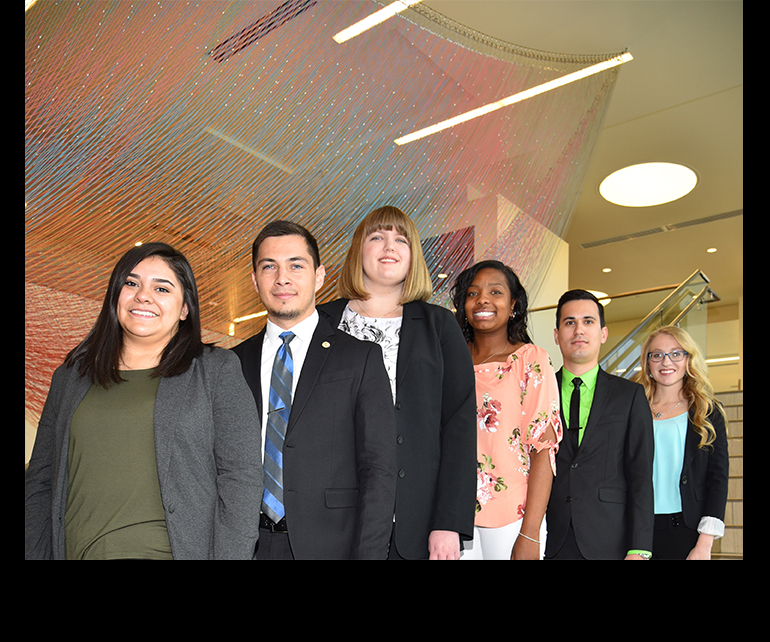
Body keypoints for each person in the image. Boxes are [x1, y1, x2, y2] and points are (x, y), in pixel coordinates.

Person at [25, 242, 263, 560]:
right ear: (115, 296)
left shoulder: (215, 370)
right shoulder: (70, 377)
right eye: (131, 283)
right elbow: (41, 478)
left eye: (162, 288)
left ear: (184, 308)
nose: (143, 295)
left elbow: (241, 478)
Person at [231, 220, 397, 560]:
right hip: (247, 545)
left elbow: (379, 469)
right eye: (269, 267)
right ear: (254, 280)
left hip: (331, 546)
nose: (282, 278)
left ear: (319, 275)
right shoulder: (231, 363)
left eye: (296, 265)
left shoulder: (360, 357)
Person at [318, 205, 476, 560]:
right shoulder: (322, 322)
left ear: (413, 255)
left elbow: (460, 426)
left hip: (415, 524)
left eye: (400, 239)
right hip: (330, 518)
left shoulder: (440, 326)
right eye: (377, 237)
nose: (389, 246)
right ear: (359, 249)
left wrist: (448, 522)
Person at [450, 260, 562, 560]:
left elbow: (543, 450)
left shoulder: (531, 359)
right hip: (452, 516)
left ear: (513, 304)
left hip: (513, 517)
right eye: (472, 293)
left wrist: (530, 532)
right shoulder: (449, 361)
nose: (483, 299)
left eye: (495, 292)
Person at [545, 289, 654, 560]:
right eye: (569, 322)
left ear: (603, 334)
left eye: (588, 321)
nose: (579, 330)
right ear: (557, 335)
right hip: (548, 537)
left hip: (609, 540)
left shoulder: (630, 396)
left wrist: (640, 549)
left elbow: (641, 475)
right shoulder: (539, 391)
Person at [634, 325, 729, 559]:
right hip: (638, 531)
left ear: (688, 359)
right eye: (657, 355)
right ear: (647, 363)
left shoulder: (707, 411)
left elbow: (718, 479)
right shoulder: (632, 410)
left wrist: (704, 544)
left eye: (676, 354)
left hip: (687, 531)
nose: (667, 362)